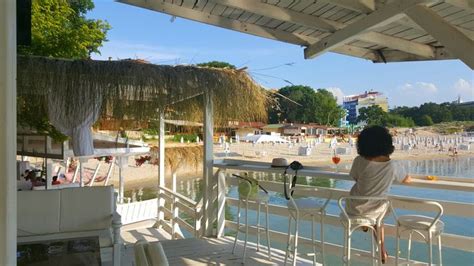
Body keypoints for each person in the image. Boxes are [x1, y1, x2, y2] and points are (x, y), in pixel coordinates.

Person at [346, 125, 411, 263]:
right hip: (377, 209)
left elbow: (355, 178)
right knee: (379, 220)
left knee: (372, 213)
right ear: (387, 144)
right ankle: (382, 251)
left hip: (354, 206)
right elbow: (406, 179)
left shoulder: (359, 161)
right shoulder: (393, 165)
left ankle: (365, 224)